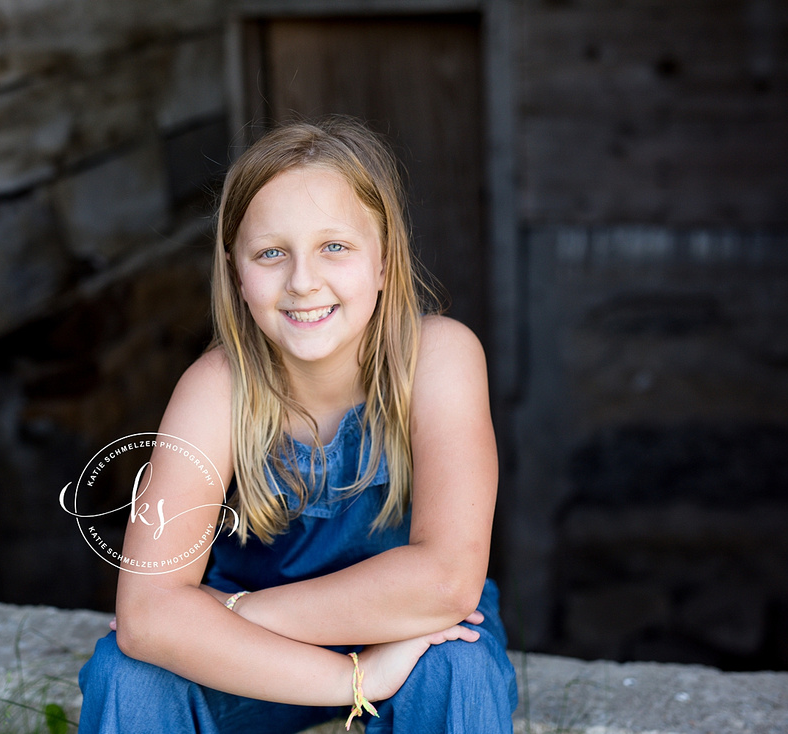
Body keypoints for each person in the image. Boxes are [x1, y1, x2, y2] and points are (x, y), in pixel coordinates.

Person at [77, 116, 518, 733]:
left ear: (386, 262)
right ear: (236, 273)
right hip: (250, 660)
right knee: (128, 674)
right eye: (271, 253)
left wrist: (229, 611)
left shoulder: (437, 357)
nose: (303, 281)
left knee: (457, 667)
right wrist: (350, 679)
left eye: (334, 246)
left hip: (401, 636)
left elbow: (444, 584)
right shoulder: (216, 388)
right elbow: (148, 619)